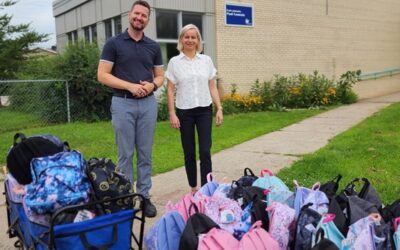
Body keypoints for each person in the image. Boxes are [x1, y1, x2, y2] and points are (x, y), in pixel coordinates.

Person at [97, 0, 163, 218]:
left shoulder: (153, 46)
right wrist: (130, 86)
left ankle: (144, 197)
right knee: (124, 155)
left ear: (148, 19)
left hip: (148, 104)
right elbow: (103, 75)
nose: (139, 18)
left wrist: (152, 85)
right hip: (122, 103)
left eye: (144, 15)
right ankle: (125, 198)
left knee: (145, 154)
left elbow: (160, 76)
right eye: (137, 14)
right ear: (129, 14)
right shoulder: (114, 43)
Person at [165, 24, 223, 193]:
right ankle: (193, 188)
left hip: (204, 110)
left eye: (193, 37)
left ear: (198, 40)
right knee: (189, 152)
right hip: (185, 112)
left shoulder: (206, 60)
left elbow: (212, 86)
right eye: (187, 37)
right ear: (181, 39)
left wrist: (219, 108)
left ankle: (207, 188)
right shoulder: (174, 62)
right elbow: (170, 89)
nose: (190, 40)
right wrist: (172, 114)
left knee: (205, 151)